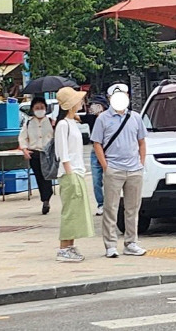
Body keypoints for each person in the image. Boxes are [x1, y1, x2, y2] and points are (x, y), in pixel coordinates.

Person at [91, 83, 148, 258]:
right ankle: (110, 245)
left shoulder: (135, 117)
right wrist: (105, 166)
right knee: (111, 208)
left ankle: (131, 243)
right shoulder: (102, 119)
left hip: (134, 169)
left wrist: (141, 162)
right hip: (114, 169)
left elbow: (141, 141)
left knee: (132, 208)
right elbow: (97, 143)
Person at [54, 87, 95, 262]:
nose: (81, 102)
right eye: (78, 100)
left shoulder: (72, 123)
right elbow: (62, 153)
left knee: (76, 212)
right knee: (70, 212)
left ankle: (70, 246)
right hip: (70, 173)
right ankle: (63, 248)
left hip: (77, 172)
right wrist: (70, 173)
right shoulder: (63, 125)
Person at [18, 97, 54, 215]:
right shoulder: (28, 123)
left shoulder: (51, 122)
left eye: (42, 108)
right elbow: (22, 137)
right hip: (35, 153)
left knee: (47, 176)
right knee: (39, 177)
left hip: (47, 154)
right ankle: (44, 199)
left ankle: (46, 199)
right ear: (32, 109)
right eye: (37, 108)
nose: (40, 110)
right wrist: (25, 150)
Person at [80, 95, 110, 216]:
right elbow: (76, 117)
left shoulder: (110, 118)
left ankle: (112, 202)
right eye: (93, 105)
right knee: (96, 179)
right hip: (95, 151)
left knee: (111, 178)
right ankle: (101, 204)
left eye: (97, 105)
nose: (94, 107)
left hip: (109, 151)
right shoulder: (91, 118)